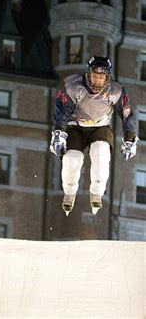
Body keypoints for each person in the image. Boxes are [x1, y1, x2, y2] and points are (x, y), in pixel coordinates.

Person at [50, 56, 138, 216]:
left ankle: (97, 191)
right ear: (88, 74)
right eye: (94, 76)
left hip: (100, 126)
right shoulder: (74, 87)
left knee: (101, 152)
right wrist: (58, 133)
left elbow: (127, 115)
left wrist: (130, 138)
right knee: (72, 159)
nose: (97, 80)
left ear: (107, 77)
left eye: (101, 77)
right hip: (75, 126)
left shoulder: (116, 91)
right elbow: (62, 112)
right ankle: (69, 191)